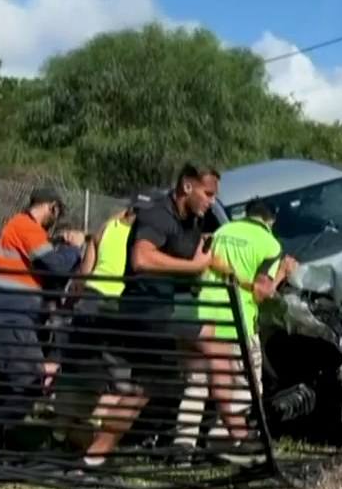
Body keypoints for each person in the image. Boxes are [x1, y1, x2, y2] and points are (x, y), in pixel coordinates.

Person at [82, 164, 226, 464]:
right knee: (216, 347)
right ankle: (235, 439)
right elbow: (142, 258)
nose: (211, 201)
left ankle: (93, 458)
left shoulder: (184, 223)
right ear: (187, 186)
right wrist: (195, 267)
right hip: (142, 310)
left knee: (139, 390)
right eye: (208, 194)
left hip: (142, 308)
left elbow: (191, 261)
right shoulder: (156, 216)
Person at [192, 199, 297, 463]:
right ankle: (229, 442)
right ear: (269, 221)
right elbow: (263, 292)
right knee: (248, 386)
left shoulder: (222, 232)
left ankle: (196, 445)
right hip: (239, 319)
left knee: (204, 382)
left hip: (206, 314)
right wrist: (284, 271)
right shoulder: (269, 244)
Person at [53, 193, 155, 462]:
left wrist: (71, 304)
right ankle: (96, 436)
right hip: (117, 306)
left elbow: (84, 274)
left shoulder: (107, 227)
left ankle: (64, 433)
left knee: (82, 372)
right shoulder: (145, 237)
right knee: (120, 379)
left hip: (91, 301)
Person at [0, 188, 84, 436]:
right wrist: (74, 248)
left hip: (10, 314)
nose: (55, 222)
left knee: (12, 382)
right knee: (30, 380)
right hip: (11, 316)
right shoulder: (25, 226)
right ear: (51, 207)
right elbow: (56, 267)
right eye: (57, 213)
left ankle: (1, 441)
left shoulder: (19, 227)